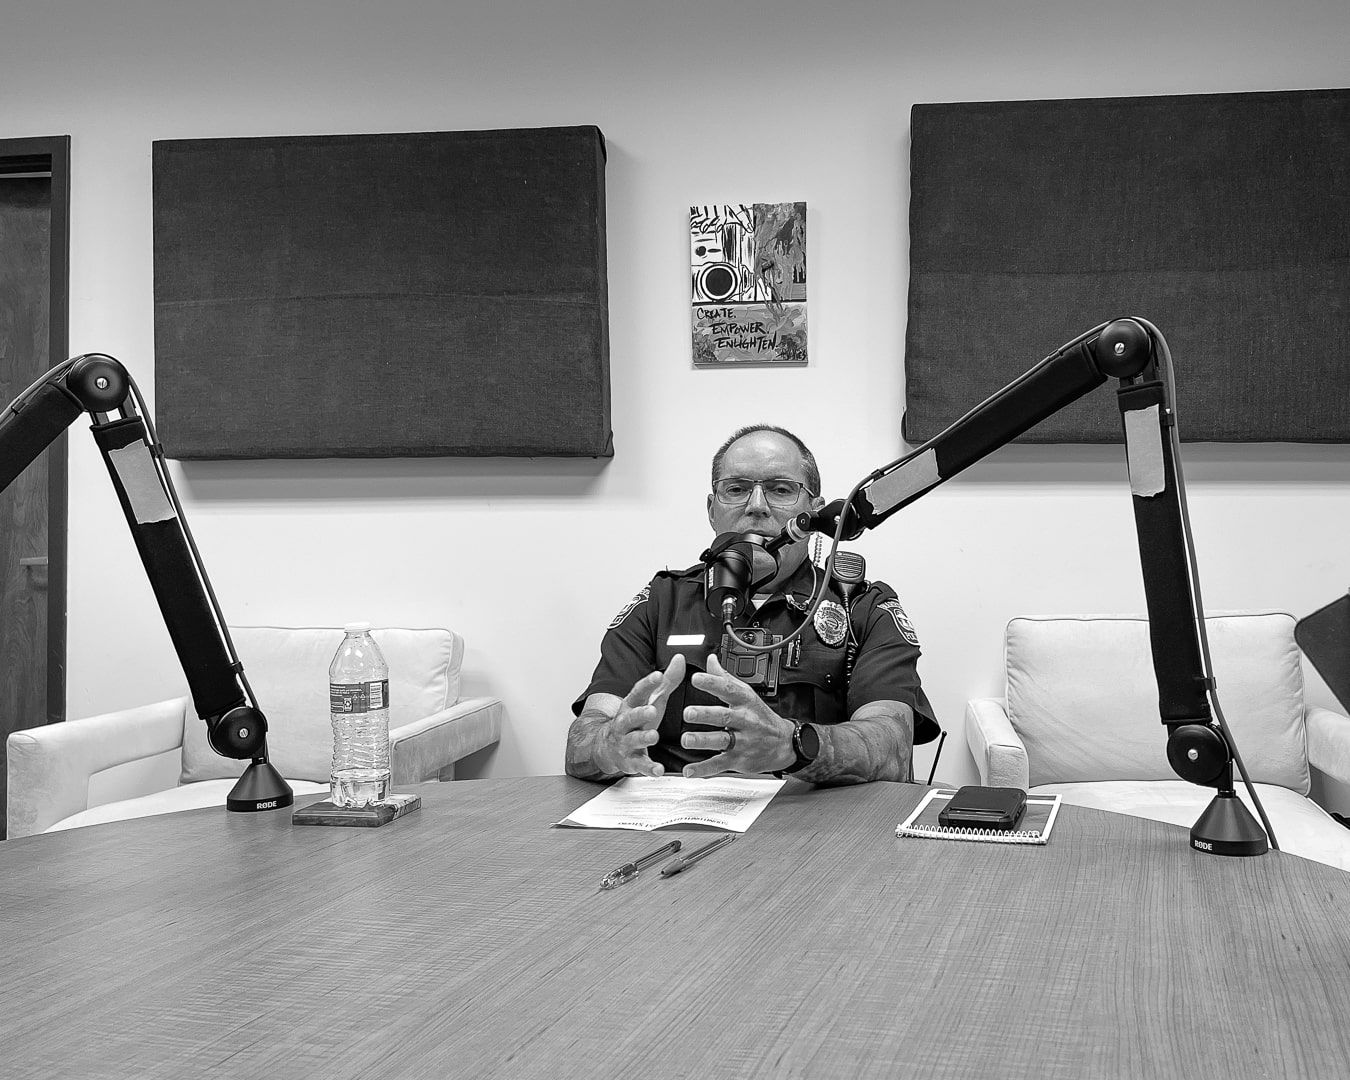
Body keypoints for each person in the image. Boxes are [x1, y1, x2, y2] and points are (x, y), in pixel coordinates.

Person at [566, 424, 938, 785]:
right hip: (679, 826)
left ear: (816, 511)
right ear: (712, 510)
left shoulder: (862, 606)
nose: (756, 506)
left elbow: (893, 748)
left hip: (816, 830)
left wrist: (793, 746)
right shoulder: (662, 602)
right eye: (737, 489)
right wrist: (608, 746)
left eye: (779, 489)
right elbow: (581, 742)